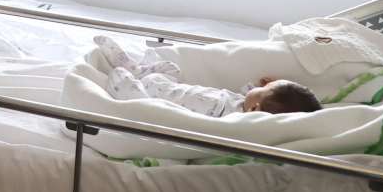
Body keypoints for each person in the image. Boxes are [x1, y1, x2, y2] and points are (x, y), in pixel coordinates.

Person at [95, 36, 323, 116]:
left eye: (263, 89)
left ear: (255, 109)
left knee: (122, 81)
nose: (261, 85)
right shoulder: (241, 101)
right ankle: (136, 69)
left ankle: (125, 74)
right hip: (167, 84)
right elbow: (249, 94)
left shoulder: (236, 118)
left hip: (153, 99)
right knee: (171, 68)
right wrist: (266, 86)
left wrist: (267, 90)